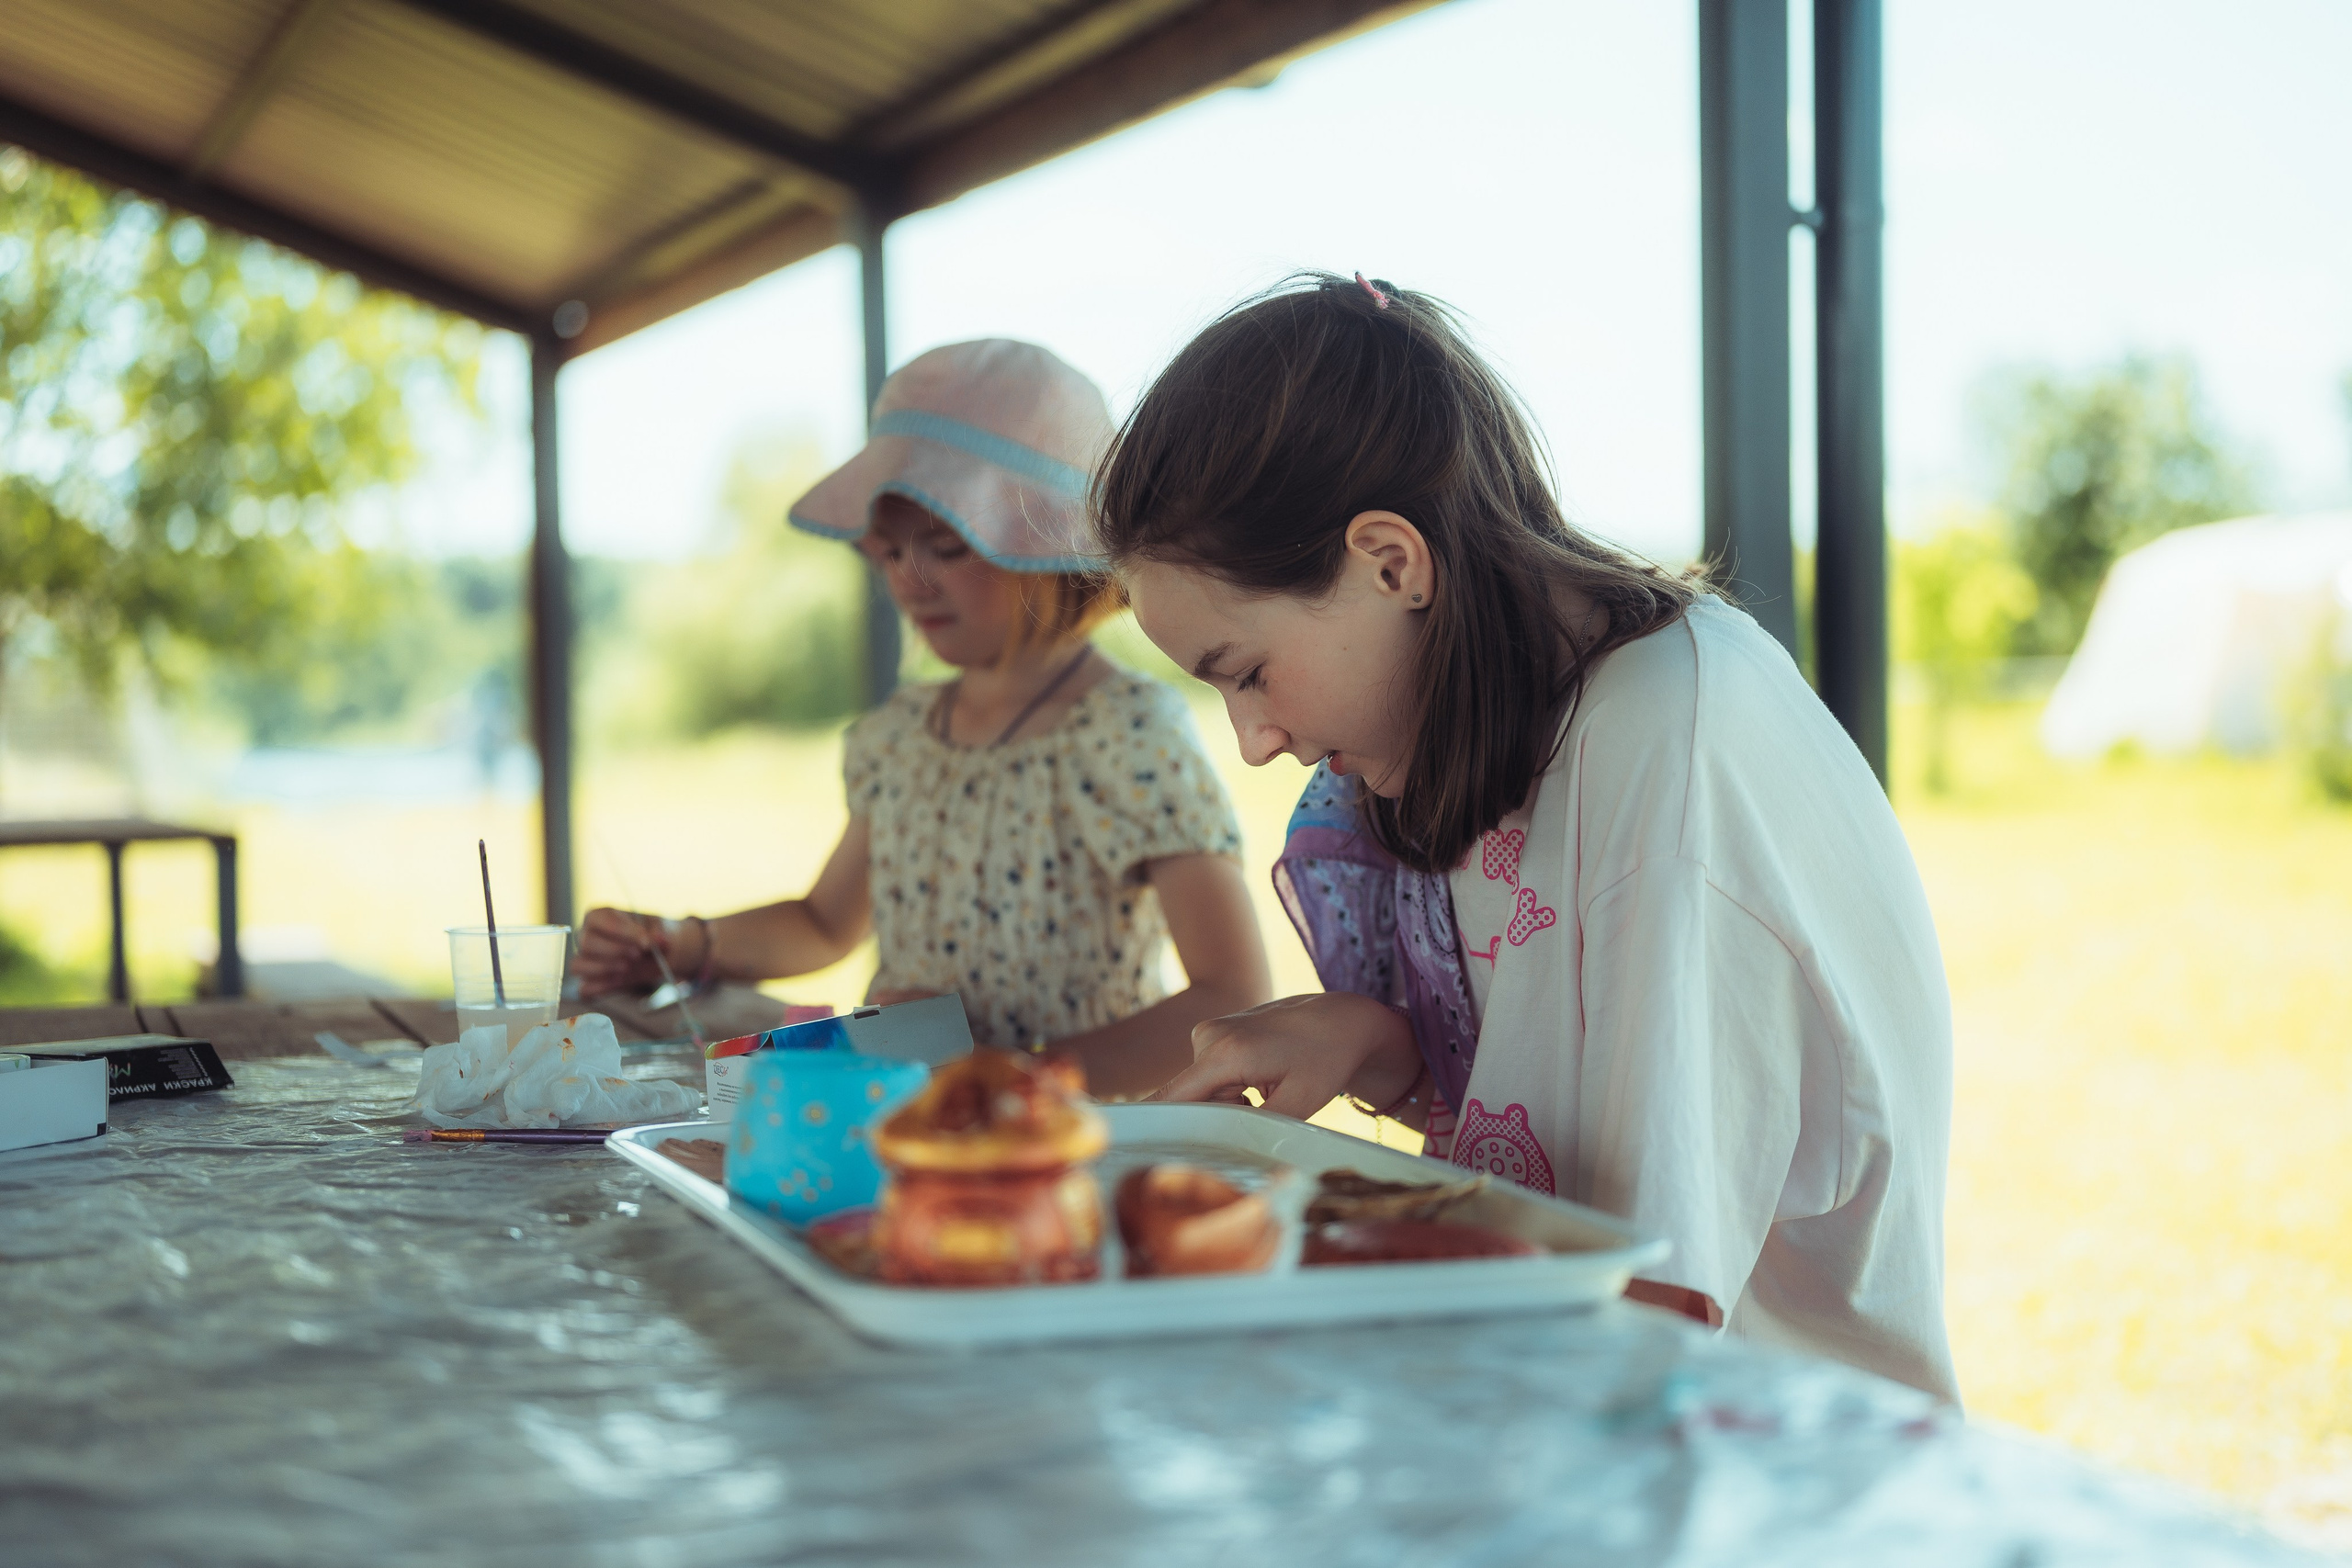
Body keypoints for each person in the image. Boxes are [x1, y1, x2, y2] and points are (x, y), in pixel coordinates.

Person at [1099, 273, 1958, 1399]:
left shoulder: (1669, 746)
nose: (1253, 741)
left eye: (1246, 673)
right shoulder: (1515, 713)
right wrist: (1376, 1043)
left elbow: (1642, 1293)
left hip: (1759, 1464)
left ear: (1390, 562)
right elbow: (1553, 1121)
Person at [574, 340, 1271, 1099]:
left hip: (1072, 1144)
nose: (910, 580)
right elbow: (824, 921)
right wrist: (685, 942)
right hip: (914, 1125)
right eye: (887, 551)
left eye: (945, 544)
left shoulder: (1128, 733)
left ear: (1049, 543)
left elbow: (1232, 992)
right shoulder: (903, 736)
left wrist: (1004, 1074)